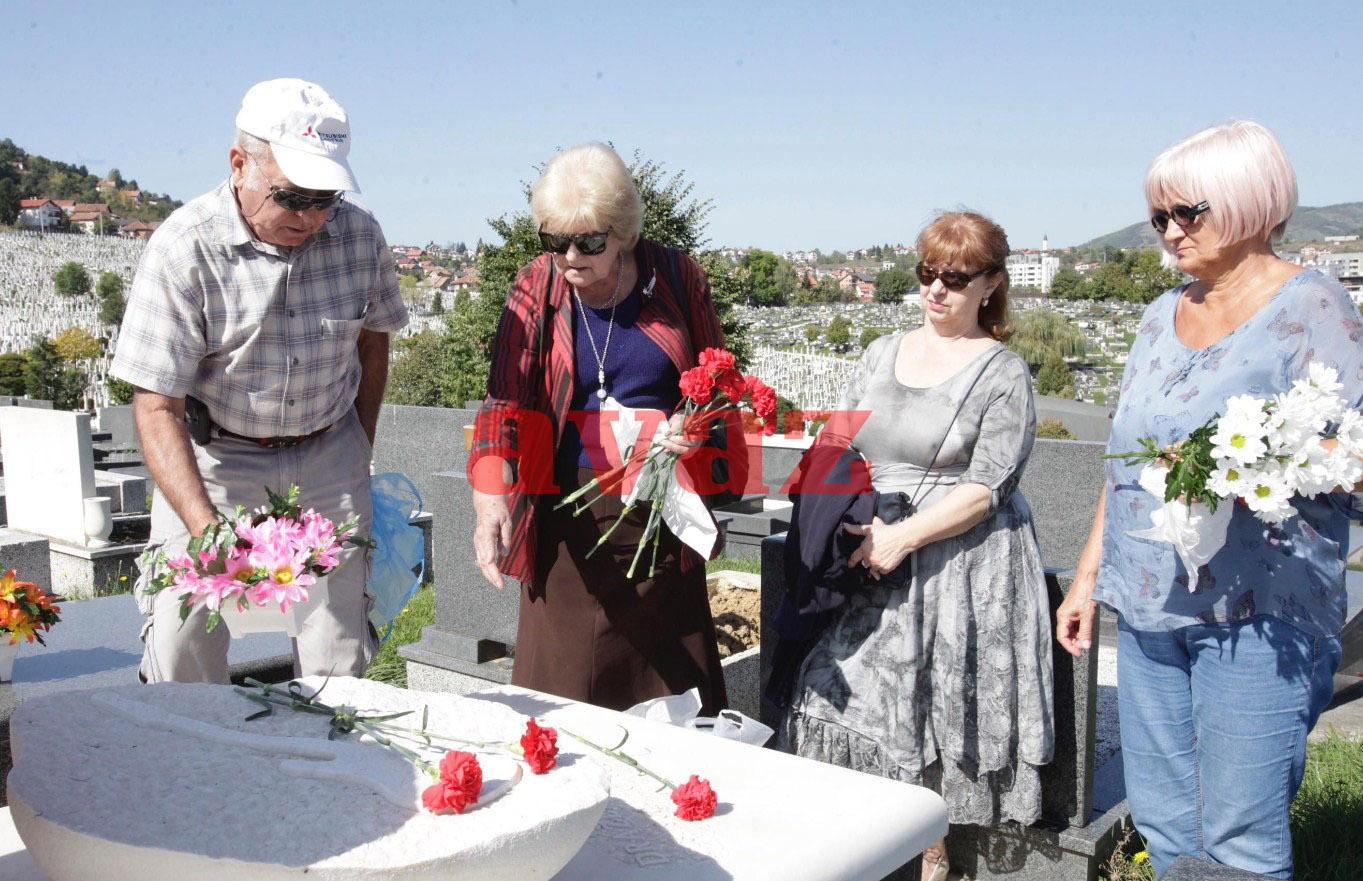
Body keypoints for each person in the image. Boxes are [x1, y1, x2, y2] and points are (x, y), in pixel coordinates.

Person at [1056, 120, 1363, 879]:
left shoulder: (1312, 306)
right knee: (1164, 821)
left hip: (1256, 616)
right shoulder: (1159, 314)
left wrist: (1265, 453)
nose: (1168, 231)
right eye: (1157, 216)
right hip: (1148, 602)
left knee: (1238, 835)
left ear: (1249, 201)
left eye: (1184, 212)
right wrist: (1089, 577)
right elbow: (1124, 459)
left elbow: (1353, 457)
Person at [783, 211, 1055, 881]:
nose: (936, 290)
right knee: (826, 694)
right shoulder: (881, 351)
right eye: (926, 273)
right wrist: (831, 507)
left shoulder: (1002, 371)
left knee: (934, 707)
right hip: (870, 548)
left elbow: (989, 485)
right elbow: (839, 439)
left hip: (958, 562)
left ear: (991, 283)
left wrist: (901, 536)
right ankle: (872, 844)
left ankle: (930, 853)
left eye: (955, 278)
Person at [112, 78, 408, 683]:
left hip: (328, 452)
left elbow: (373, 341)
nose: (312, 217)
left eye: (326, 198)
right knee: (180, 639)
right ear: (238, 164)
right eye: (291, 197)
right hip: (216, 459)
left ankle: (335, 769)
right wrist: (204, 529)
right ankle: (196, 765)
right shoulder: (183, 249)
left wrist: (357, 445)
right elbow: (156, 406)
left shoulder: (358, 235)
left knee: (340, 647)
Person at [470, 143, 732, 713]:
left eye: (588, 242)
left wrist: (694, 423)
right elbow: (501, 405)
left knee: (672, 703)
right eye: (553, 240)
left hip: (660, 515)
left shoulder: (677, 278)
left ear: (624, 232)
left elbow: (716, 379)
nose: (569, 256)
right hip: (568, 523)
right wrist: (490, 497)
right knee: (565, 699)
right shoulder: (535, 287)